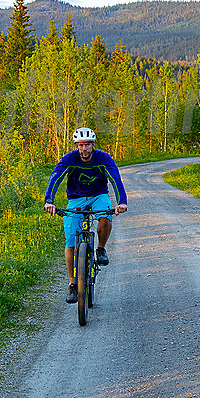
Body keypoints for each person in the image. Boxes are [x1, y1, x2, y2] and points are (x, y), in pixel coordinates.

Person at [44, 126, 128, 304]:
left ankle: (100, 249)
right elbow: (56, 176)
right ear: (76, 146)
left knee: (105, 216)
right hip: (76, 198)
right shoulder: (70, 158)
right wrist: (49, 200)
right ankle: (73, 285)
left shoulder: (103, 158)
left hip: (99, 196)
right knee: (70, 242)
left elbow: (115, 179)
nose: (84, 149)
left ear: (93, 145)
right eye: (80, 145)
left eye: (87, 145)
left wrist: (122, 201)